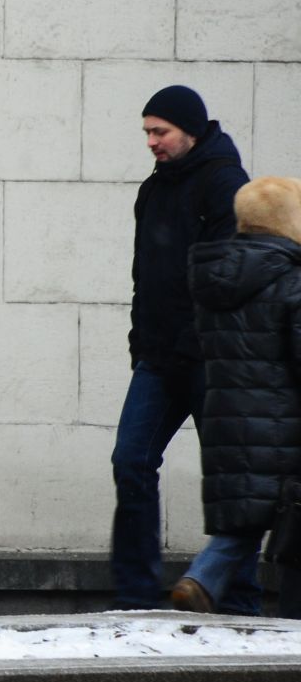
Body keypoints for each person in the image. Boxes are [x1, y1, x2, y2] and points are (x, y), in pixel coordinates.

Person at [109, 85, 253, 611]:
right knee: (130, 460)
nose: (151, 141)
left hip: (211, 359)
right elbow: (144, 275)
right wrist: (140, 340)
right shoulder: (153, 190)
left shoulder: (224, 183)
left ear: (190, 130)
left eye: (160, 131)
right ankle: (133, 595)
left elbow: (232, 276)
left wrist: (203, 343)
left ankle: (241, 600)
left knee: (232, 478)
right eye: (147, 131)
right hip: (158, 356)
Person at [172, 177, 301, 619]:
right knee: (292, 519)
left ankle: (203, 580)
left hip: (229, 417)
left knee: (244, 521)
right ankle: (290, 620)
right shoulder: (293, 281)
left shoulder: (216, 278)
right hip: (284, 423)